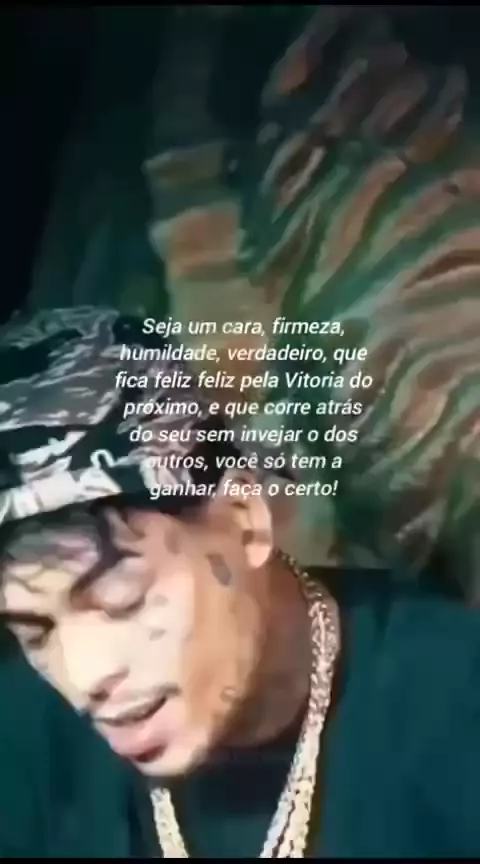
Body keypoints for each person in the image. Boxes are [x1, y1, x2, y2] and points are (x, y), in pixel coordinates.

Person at [0, 306, 479, 858]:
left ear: (245, 520)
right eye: (34, 632)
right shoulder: (25, 738)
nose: (85, 677)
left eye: (121, 598)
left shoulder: (453, 707)